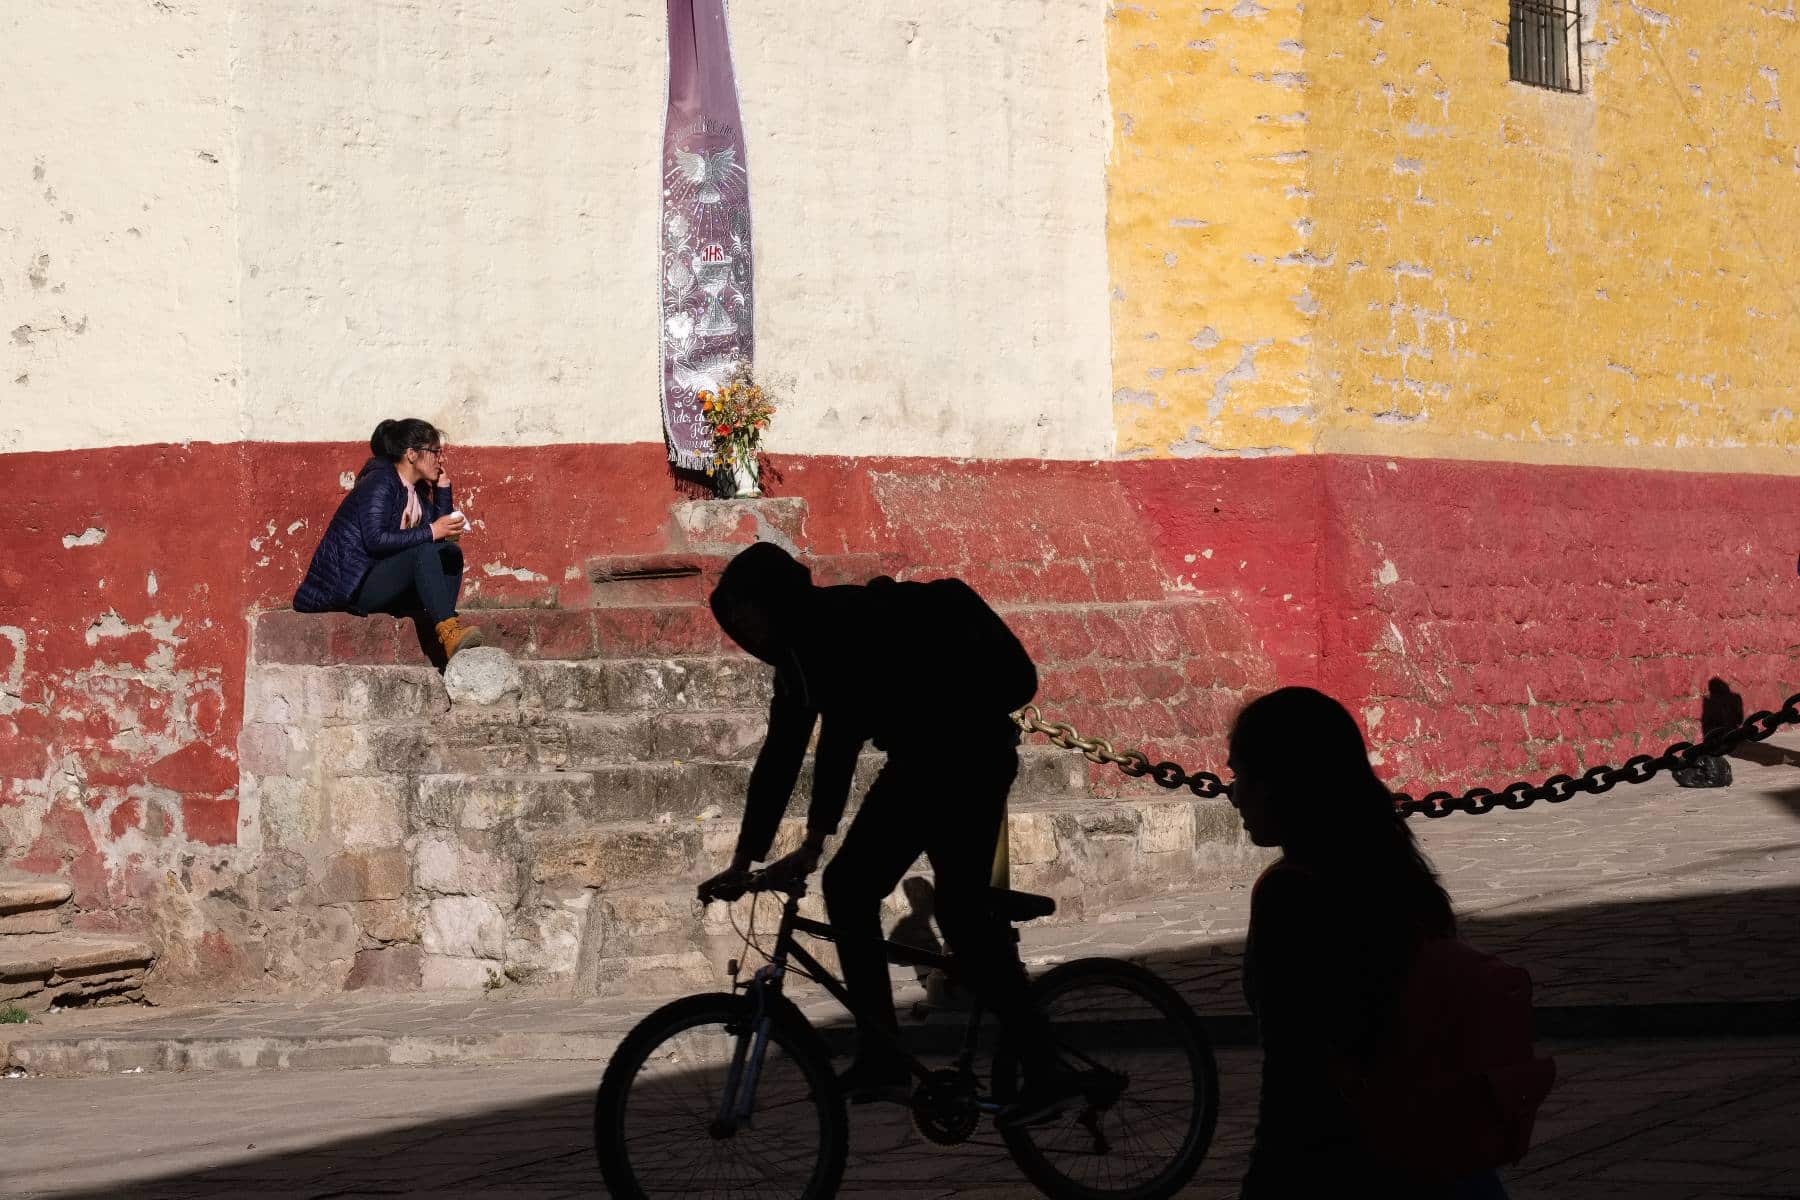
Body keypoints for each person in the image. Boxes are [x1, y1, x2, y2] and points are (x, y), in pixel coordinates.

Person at [694, 542, 1077, 1124]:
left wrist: (815, 842)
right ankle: (895, 1055)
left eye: (745, 621)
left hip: (963, 756)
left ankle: (1035, 1066)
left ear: (773, 605)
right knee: (881, 895)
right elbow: (779, 757)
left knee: (917, 903)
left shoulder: (834, 627)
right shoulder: (798, 659)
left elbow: (840, 740)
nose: (743, 640)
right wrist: (746, 858)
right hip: (927, 762)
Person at [1227, 686, 1508, 1199]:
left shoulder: (1291, 895)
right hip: (1442, 1157)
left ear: (1284, 784)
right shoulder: (1396, 869)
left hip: (1359, 1161)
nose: (1235, 794)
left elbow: (1294, 1075)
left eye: (1244, 775)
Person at [293, 418, 483, 661]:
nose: (440, 459)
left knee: (450, 553)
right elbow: (375, 539)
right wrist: (432, 531)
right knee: (423, 552)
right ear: (412, 454)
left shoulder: (418, 491)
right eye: (435, 452)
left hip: (389, 583)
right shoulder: (380, 482)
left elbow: (440, 541)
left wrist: (442, 490)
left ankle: (446, 622)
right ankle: (448, 632)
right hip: (357, 584)